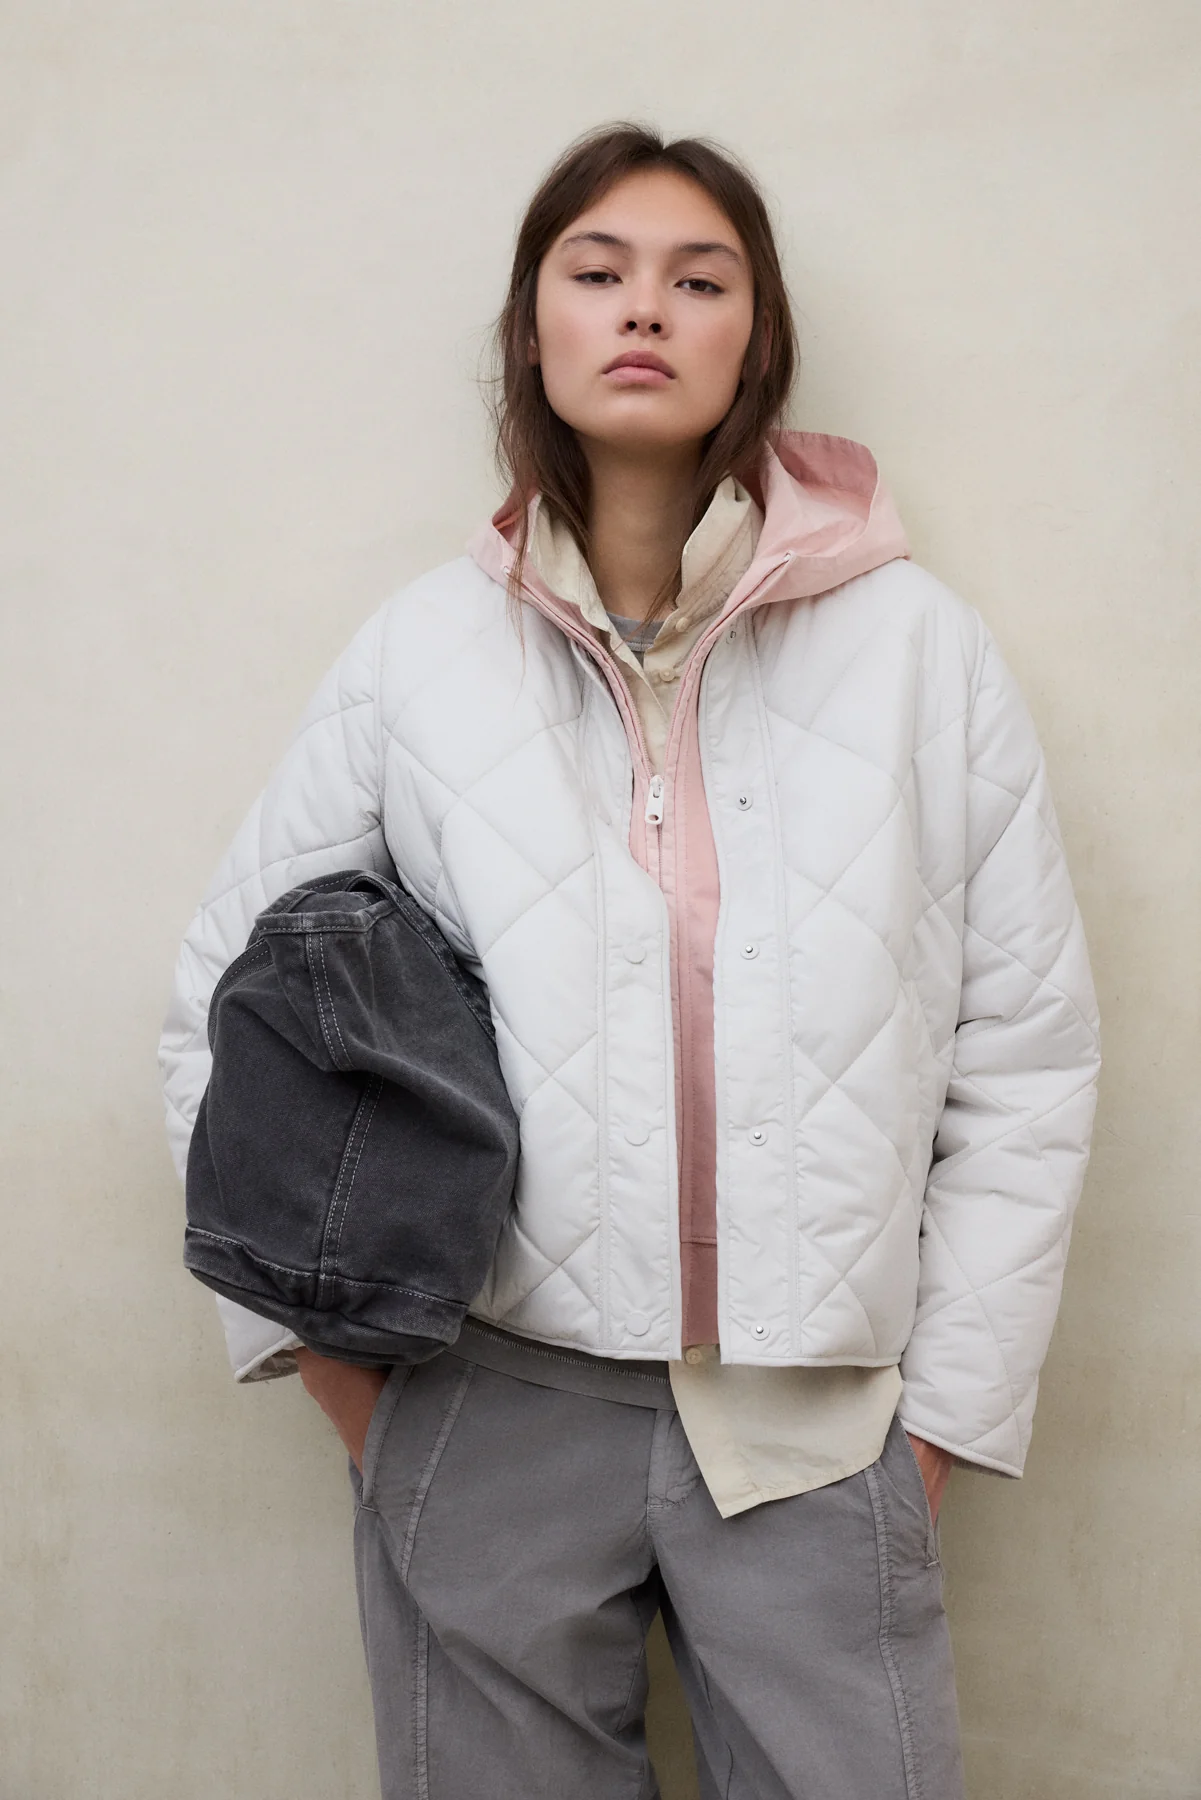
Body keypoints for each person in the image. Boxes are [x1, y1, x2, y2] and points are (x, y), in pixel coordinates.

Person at [158, 122, 1101, 1800]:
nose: (646, 308)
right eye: (597, 273)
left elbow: (1024, 1058)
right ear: (535, 330)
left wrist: (939, 1429)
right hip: (490, 1401)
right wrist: (346, 1386)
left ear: (759, 336)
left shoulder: (920, 653)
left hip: (818, 1427)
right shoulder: (420, 655)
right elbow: (229, 1019)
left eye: (699, 279)